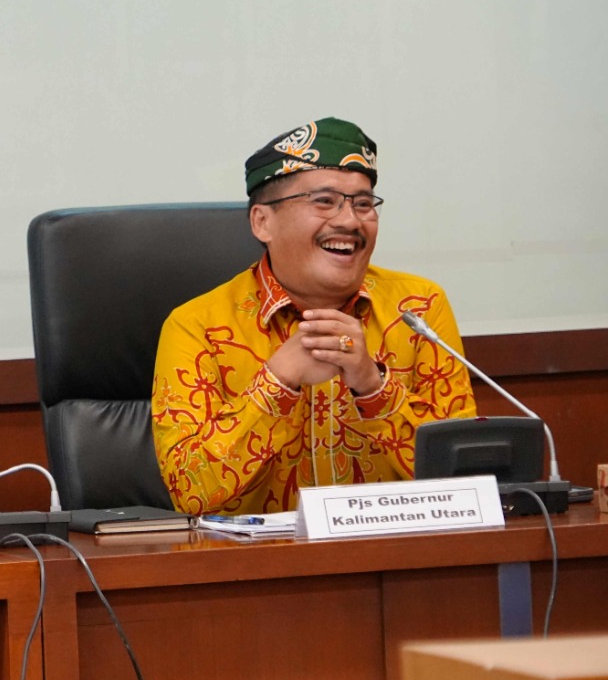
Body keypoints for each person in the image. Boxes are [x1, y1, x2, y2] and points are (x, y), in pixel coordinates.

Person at [151, 118, 476, 515]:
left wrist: (373, 386)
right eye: (324, 201)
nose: (350, 221)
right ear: (262, 222)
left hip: (393, 549)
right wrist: (278, 381)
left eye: (363, 204)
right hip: (263, 554)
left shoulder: (417, 309)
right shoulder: (197, 326)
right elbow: (191, 492)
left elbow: (464, 480)